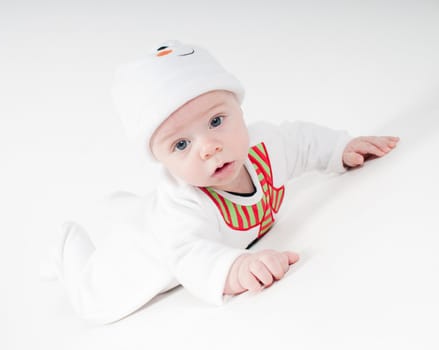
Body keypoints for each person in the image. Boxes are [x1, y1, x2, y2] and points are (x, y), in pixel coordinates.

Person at [49, 40, 399, 324]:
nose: (208, 147)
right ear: (163, 161)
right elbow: (189, 257)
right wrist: (236, 267)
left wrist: (340, 148)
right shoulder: (183, 205)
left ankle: (122, 207)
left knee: (135, 211)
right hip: (146, 254)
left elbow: (301, 142)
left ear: (239, 109)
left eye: (216, 121)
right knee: (93, 299)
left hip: (151, 217)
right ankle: (64, 246)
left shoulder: (265, 147)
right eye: (181, 144)